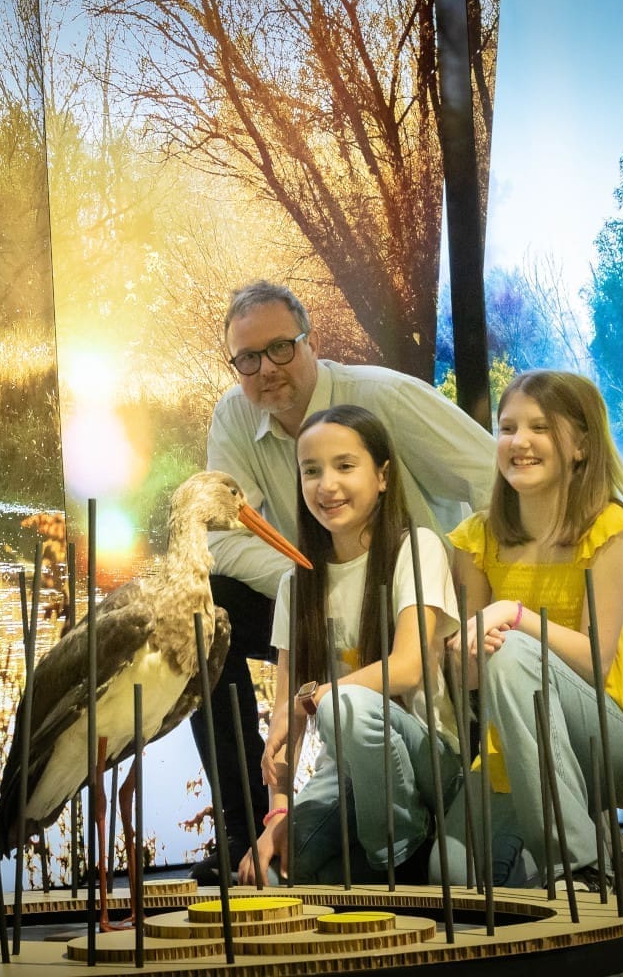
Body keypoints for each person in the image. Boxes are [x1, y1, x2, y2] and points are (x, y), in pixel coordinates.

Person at [192, 279, 496, 882]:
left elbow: (491, 477)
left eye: (280, 348)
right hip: (318, 597)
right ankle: (249, 824)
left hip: (410, 601)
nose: (265, 370)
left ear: (309, 341)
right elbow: (220, 539)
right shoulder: (235, 415)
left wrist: (476, 593)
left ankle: (409, 838)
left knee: (357, 709)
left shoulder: (384, 397)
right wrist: (319, 579)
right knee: (207, 621)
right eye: (246, 360)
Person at [446, 369, 623, 891]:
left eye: (539, 427)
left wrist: (514, 616)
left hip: (600, 728)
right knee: (450, 877)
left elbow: (596, 663)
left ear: (581, 445)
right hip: (511, 739)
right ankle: (583, 829)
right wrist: (460, 653)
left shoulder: (608, 528)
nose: (519, 442)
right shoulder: (475, 538)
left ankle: (582, 865)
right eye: (507, 428)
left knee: (516, 651)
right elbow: (473, 681)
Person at [236, 404, 461, 885]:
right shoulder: (295, 586)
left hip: (427, 759)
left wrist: (311, 700)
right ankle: (367, 861)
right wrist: (276, 818)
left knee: (346, 705)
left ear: (381, 476)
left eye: (344, 466)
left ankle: (399, 851)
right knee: (269, 875)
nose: (326, 485)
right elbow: (284, 724)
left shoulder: (415, 548)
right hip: (342, 773)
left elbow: (406, 669)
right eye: (311, 471)